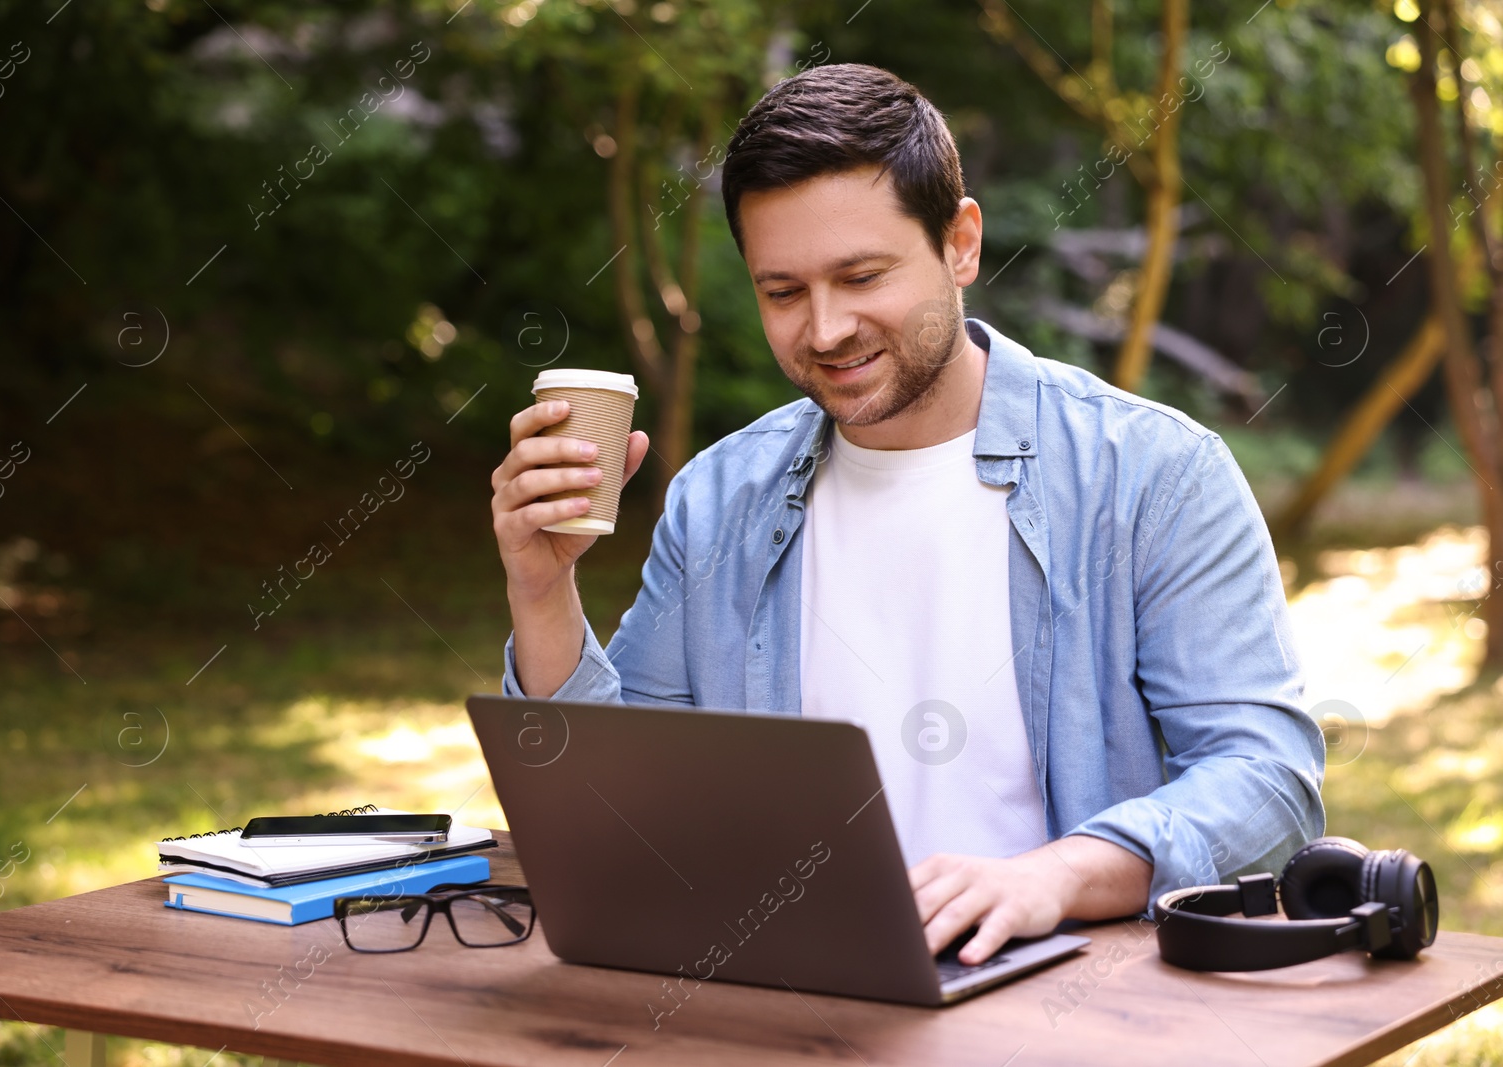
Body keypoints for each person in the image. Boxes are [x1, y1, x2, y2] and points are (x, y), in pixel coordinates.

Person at [490, 62, 1324, 968]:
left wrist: (1056, 875)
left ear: (961, 244)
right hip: (786, 1000)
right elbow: (620, 814)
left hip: (1063, 1005)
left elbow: (1267, 782)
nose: (825, 328)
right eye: (783, 292)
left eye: (861, 276)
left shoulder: (1153, 476)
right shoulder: (718, 497)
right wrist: (543, 588)